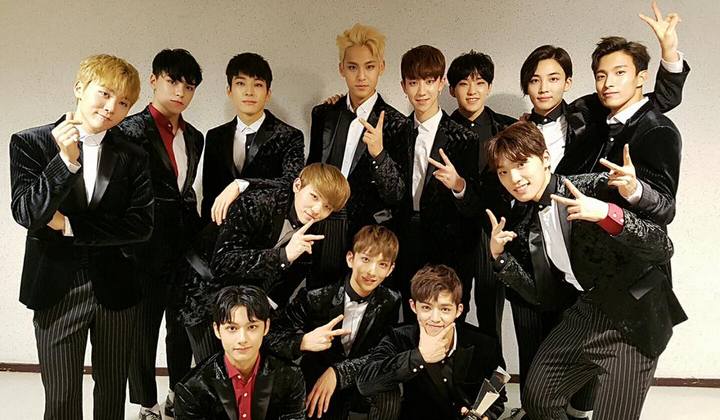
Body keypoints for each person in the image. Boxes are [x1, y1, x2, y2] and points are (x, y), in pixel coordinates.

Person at [485, 121, 685, 420]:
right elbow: (542, 294)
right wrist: (499, 258)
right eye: (503, 171)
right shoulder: (524, 221)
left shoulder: (593, 187)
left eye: (521, 163)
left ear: (545, 158)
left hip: (634, 315)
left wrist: (608, 214)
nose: (514, 178)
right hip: (587, 310)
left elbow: (662, 247)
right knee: (537, 398)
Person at [10, 54, 152, 419]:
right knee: (61, 397)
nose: (111, 107)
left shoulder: (133, 154)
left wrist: (71, 226)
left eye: (124, 102)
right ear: (79, 88)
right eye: (104, 93)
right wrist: (65, 161)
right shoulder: (31, 143)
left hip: (117, 287)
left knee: (111, 394)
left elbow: (140, 225)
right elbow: (28, 214)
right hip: (56, 286)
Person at [181, 163, 350, 363]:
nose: (317, 210)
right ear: (297, 186)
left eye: (327, 207)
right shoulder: (257, 203)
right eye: (314, 197)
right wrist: (283, 256)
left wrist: (262, 312)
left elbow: (286, 284)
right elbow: (222, 262)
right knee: (213, 368)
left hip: (246, 301)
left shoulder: (316, 229)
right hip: (203, 290)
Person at [119, 48, 203, 420]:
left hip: (184, 249)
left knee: (181, 328)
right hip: (143, 249)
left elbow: (185, 191)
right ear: (154, 81)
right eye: (172, 82)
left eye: (189, 86)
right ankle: (146, 404)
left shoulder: (195, 136)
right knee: (143, 331)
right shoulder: (129, 131)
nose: (180, 92)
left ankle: (177, 395)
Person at [267, 225, 402, 419]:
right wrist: (302, 341)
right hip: (315, 380)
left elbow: (386, 351)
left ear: (390, 270)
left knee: (389, 393)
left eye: (382, 264)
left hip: (358, 379)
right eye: (366, 259)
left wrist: (339, 373)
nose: (372, 271)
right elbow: (271, 335)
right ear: (350, 259)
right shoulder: (315, 297)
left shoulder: (391, 300)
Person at [308, 23, 406, 287]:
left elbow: (397, 195)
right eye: (353, 67)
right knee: (319, 299)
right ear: (342, 69)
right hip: (322, 228)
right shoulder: (324, 114)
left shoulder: (397, 123)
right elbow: (311, 171)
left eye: (369, 67)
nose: (361, 76)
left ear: (381, 67)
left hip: (368, 238)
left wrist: (379, 154)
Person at [392, 44, 481, 320]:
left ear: (441, 83)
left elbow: (475, 204)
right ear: (403, 86)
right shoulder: (395, 133)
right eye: (413, 82)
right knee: (409, 316)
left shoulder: (464, 138)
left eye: (429, 81)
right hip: (404, 238)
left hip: (448, 245)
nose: (422, 91)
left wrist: (458, 185)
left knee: (447, 318)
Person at [357, 264, 506, 420]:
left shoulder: (484, 344)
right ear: (413, 306)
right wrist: (419, 356)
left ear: (459, 310)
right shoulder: (399, 337)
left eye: (445, 309)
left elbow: (498, 396)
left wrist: (486, 416)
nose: (435, 319)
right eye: (426, 308)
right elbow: (365, 383)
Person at [201, 52, 304, 226]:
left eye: (257, 84)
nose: (249, 92)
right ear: (229, 91)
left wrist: (242, 184)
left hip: (267, 233)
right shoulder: (214, 136)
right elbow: (209, 196)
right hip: (221, 234)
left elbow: (290, 185)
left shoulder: (290, 136)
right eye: (240, 83)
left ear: (268, 93)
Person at [175, 285, 306, 420]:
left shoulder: (290, 377)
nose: (242, 339)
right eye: (232, 328)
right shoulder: (191, 389)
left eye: (252, 327)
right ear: (217, 330)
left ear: (266, 327)